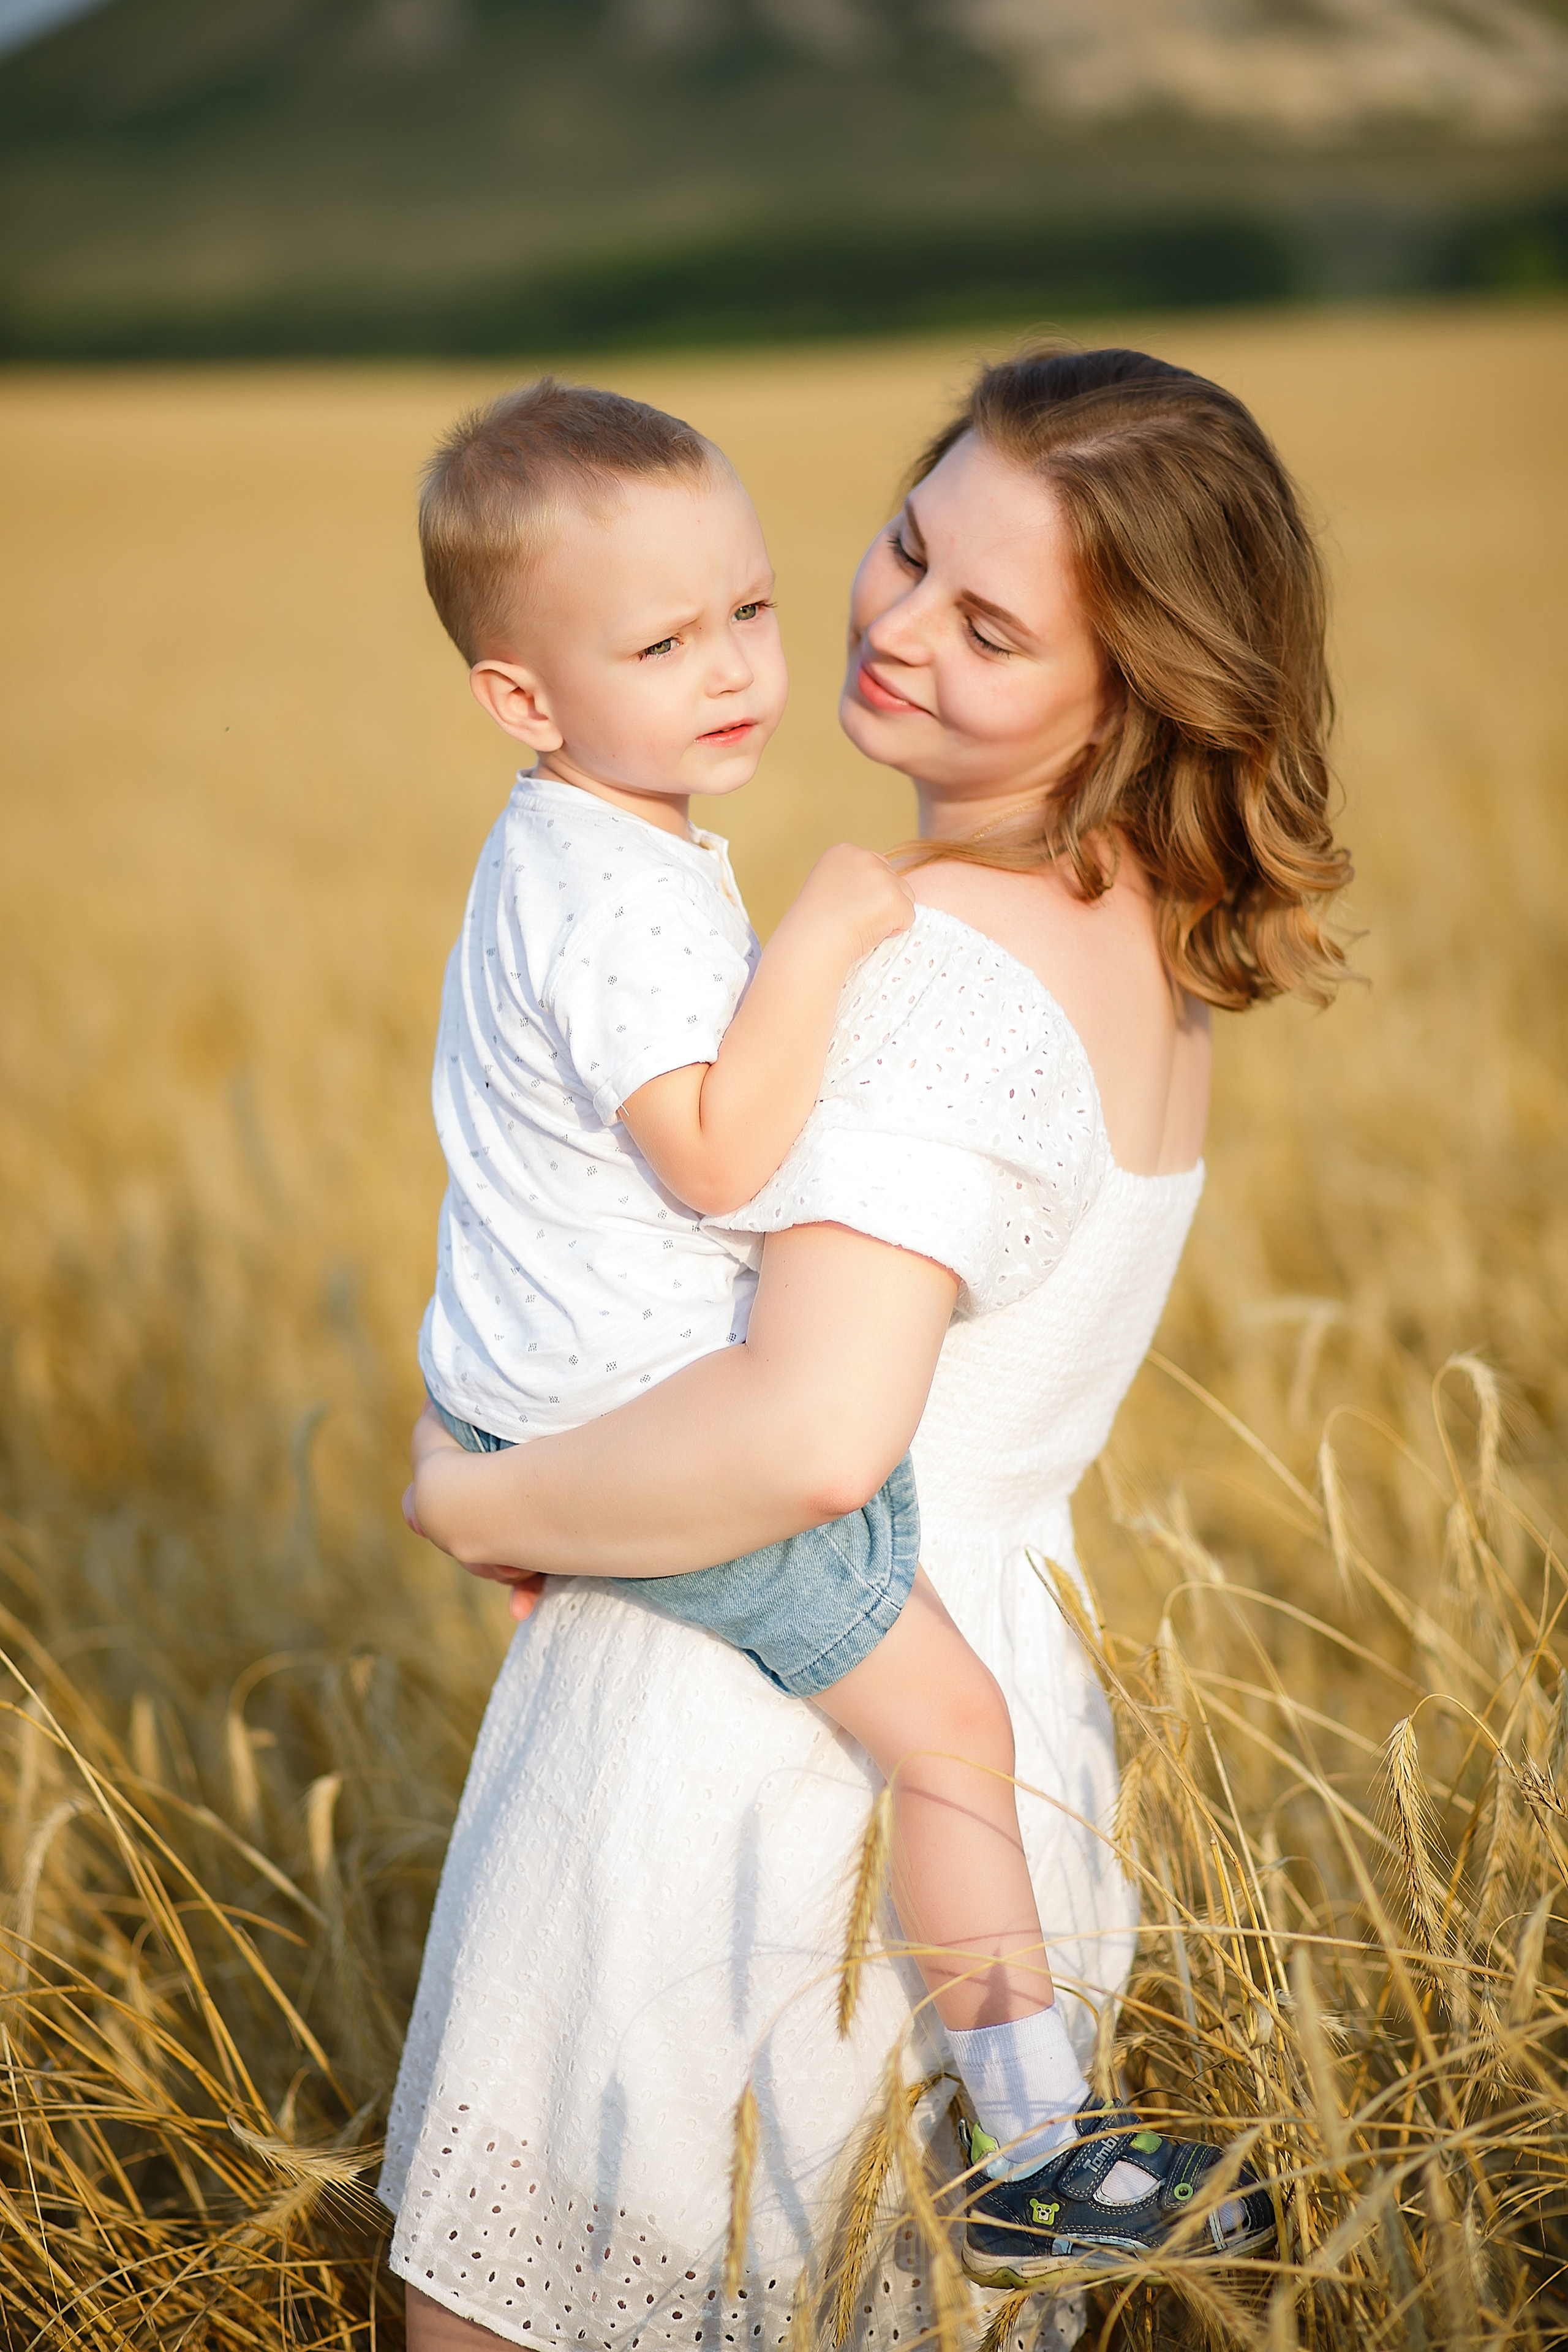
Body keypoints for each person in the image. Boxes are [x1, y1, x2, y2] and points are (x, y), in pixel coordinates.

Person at [382, 346, 1349, 2349]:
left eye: (988, 624)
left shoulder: (944, 980)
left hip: (745, 1773)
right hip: (984, 1726)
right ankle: (1047, 2147)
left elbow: (815, 1436)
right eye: (910, 545)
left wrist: (471, 1490)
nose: (891, 624)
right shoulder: (1139, 931)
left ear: (1143, 684)